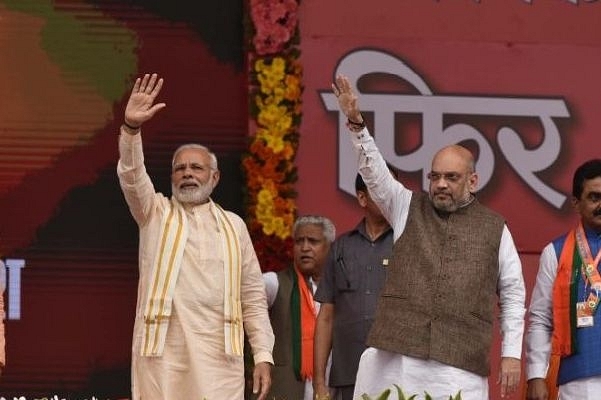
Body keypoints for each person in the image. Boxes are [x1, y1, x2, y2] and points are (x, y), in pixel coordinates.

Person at [331, 74, 526, 400]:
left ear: (473, 181)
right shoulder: (406, 206)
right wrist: (355, 123)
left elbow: (513, 295)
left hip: (457, 365)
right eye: (435, 176)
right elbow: (374, 174)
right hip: (398, 360)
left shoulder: (495, 228)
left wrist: (511, 354)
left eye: (452, 177)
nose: (441, 184)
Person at [117, 73, 274, 400]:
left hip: (219, 358)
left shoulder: (234, 226)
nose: (188, 173)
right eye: (180, 168)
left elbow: (253, 297)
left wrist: (262, 354)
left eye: (196, 168)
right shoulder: (154, 213)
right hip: (164, 355)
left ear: (214, 177)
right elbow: (133, 177)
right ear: (172, 177)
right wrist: (132, 130)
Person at [313, 173, 393, 400]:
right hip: (349, 372)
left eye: (392, 188)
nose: (389, 195)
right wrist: (319, 381)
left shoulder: (407, 245)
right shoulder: (341, 248)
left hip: (396, 371)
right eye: (380, 189)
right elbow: (326, 317)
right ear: (362, 197)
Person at [526, 159, 601, 400]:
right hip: (580, 382)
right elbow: (540, 319)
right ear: (576, 203)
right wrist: (536, 376)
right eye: (594, 197)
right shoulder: (555, 252)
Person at [263, 215, 335, 400]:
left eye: (313, 241)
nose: (304, 248)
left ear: (329, 246)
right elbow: (246, 289)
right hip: (285, 390)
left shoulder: (341, 291)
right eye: (299, 241)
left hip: (330, 389)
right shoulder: (275, 283)